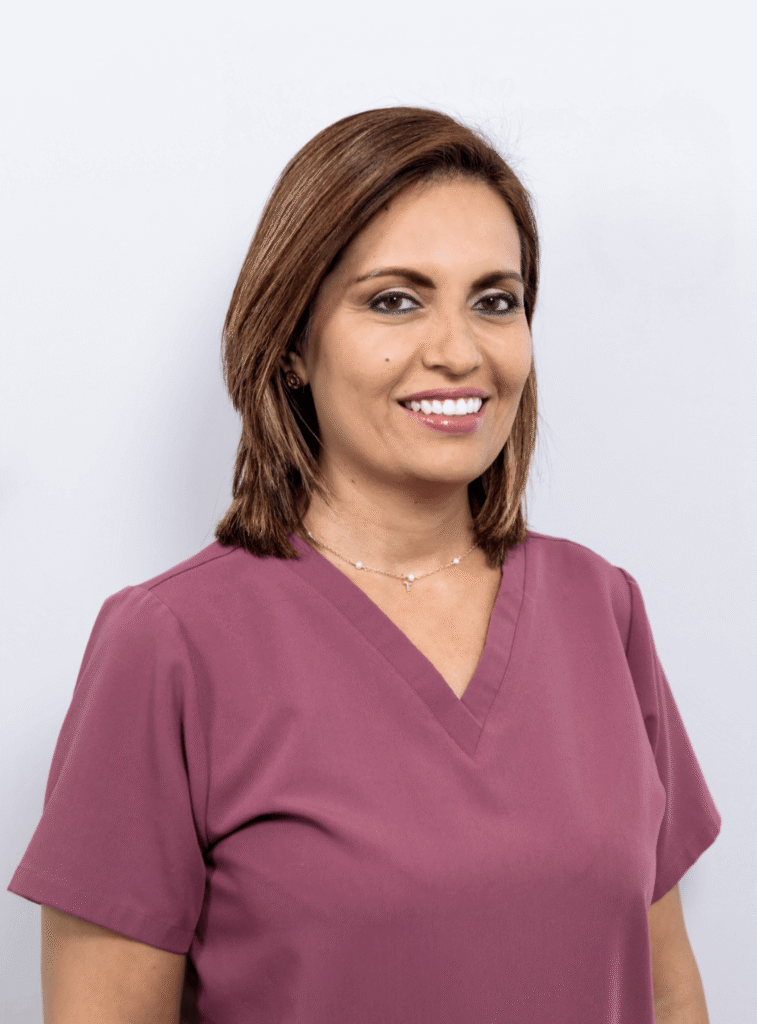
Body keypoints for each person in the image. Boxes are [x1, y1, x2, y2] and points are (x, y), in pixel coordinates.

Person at [8, 106, 721, 1024]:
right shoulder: (171, 644)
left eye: (494, 301)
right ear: (291, 346)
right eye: (394, 300)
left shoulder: (599, 607)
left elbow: (666, 992)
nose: (458, 351)